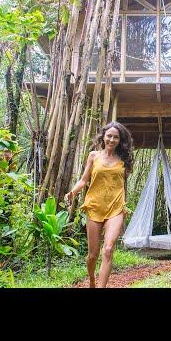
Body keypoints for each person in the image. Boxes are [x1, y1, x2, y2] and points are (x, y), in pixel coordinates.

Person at [65, 121, 134, 288]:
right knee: (92, 255)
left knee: (108, 249)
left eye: (116, 137)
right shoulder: (93, 156)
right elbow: (83, 180)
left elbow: (120, 182)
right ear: (103, 137)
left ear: (120, 140)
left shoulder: (124, 159)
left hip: (116, 207)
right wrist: (72, 192)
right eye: (109, 136)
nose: (111, 139)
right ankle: (92, 280)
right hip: (94, 206)